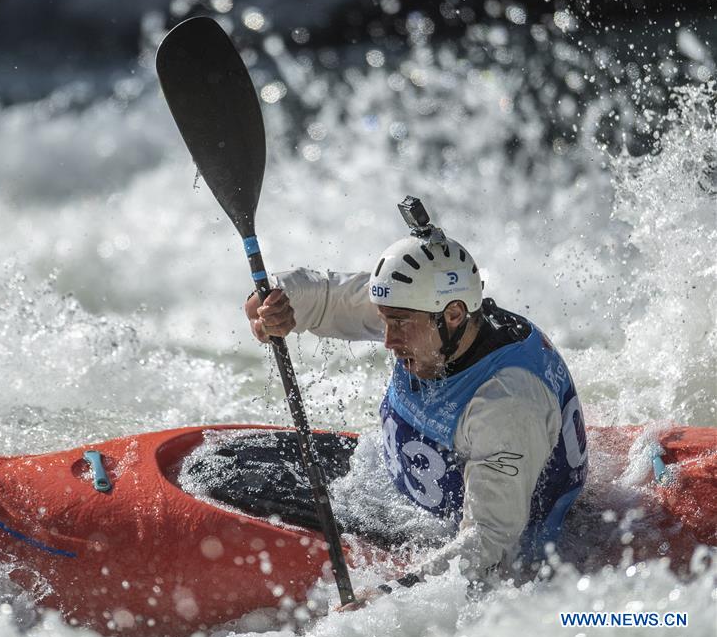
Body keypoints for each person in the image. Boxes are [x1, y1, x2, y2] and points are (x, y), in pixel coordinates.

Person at [244, 197, 588, 599]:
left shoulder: (506, 403)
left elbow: (489, 542)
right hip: (391, 492)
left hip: (461, 544)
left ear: (455, 314)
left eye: (399, 325)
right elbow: (322, 297)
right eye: (385, 320)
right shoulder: (427, 315)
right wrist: (276, 303)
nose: (387, 339)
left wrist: (391, 595)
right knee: (225, 465)